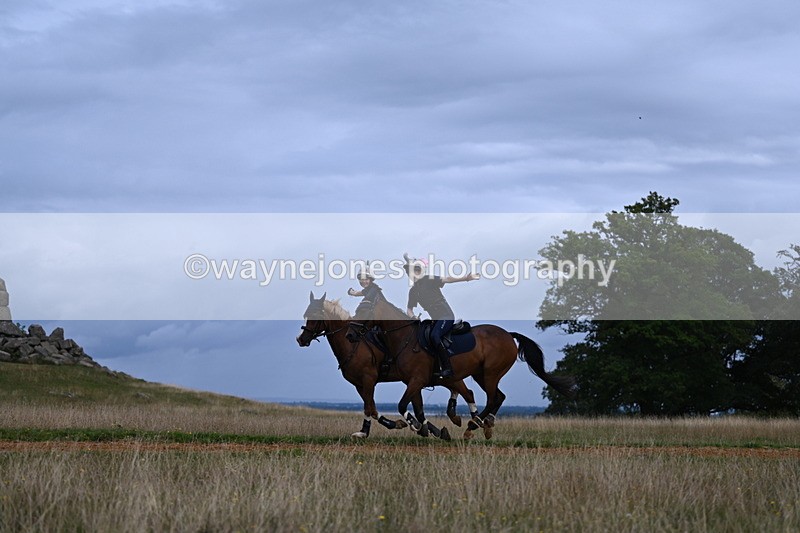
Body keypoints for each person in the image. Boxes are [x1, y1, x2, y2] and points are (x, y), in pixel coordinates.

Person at [403, 253, 479, 378]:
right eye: (411, 271)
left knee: (434, 336)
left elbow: (447, 279)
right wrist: (413, 317)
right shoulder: (413, 291)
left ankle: (447, 368)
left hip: (445, 315)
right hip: (434, 319)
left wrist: (466, 278)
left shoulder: (429, 279)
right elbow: (409, 308)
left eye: (416, 270)